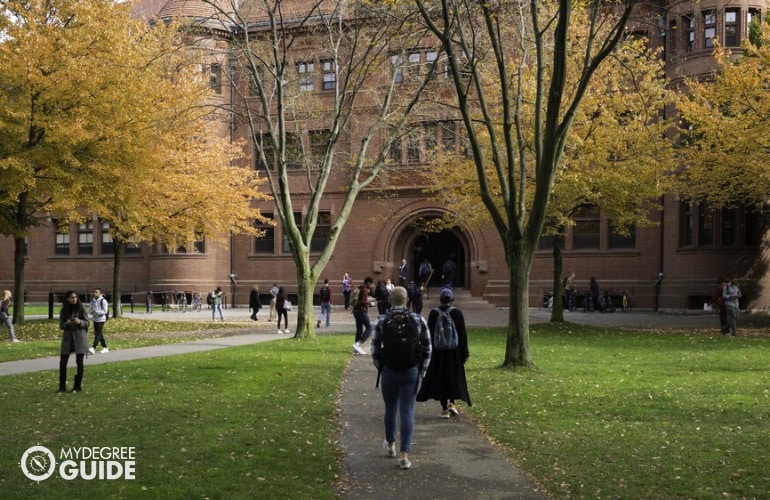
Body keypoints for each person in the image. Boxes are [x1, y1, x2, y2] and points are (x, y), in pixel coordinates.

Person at [371, 286, 432, 470]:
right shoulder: (418, 319)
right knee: (407, 412)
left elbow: (374, 350)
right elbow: (428, 348)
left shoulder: (381, 320)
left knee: (390, 409)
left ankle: (391, 446)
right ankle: (404, 456)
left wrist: (382, 367)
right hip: (411, 372)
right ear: (407, 301)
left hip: (389, 372)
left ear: (390, 300)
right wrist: (422, 371)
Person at [417, 288, 472, 418]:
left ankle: (444, 409)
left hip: (437, 352)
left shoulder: (434, 313)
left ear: (440, 299)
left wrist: (426, 353)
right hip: (454, 352)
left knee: (440, 378)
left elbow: (428, 334)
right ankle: (452, 403)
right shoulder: (457, 313)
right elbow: (462, 335)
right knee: (453, 377)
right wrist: (465, 353)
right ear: (452, 299)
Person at [58, 290, 90, 393]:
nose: (74, 299)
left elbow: (87, 323)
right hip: (68, 339)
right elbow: (61, 326)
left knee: (79, 363)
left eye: (75, 297)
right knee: (63, 363)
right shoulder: (63, 310)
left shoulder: (81, 308)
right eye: (72, 297)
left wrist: (80, 322)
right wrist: (66, 324)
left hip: (79, 338)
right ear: (67, 298)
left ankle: (77, 386)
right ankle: (62, 386)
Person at [352, 277, 374, 354]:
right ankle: (358, 343)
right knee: (369, 328)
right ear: (368, 283)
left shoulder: (360, 288)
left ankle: (356, 349)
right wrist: (369, 302)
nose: (371, 285)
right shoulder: (364, 290)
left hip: (356, 310)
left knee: (359, 329)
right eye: (371, 283)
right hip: (361, 311)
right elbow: (362, 301)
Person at [88, 288, 109, 354]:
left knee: (97, 334)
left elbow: (105, 311)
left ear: (100, 293)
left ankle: (93, 347)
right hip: (95, 319)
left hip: (101, 319)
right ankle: (105, 347)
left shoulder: (103, 301)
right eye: (94, 292)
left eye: (96, 292)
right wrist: (92, 312)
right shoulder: (92, 301)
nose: (95, 293)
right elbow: (90, 310)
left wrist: (97, 312)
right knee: (99, 334)